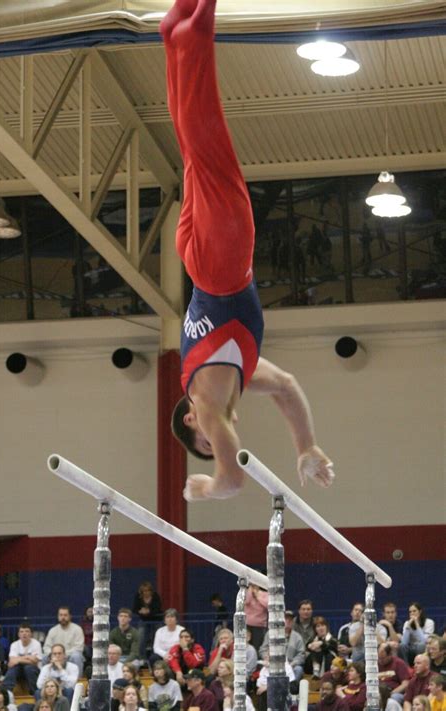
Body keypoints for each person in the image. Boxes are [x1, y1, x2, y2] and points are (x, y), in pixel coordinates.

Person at [161, 0, 335, 502]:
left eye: (205, 440)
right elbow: (288, 387)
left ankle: (195, 34)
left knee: (207, 140)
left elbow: (234, 478)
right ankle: (175, 40)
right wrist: (306, 446)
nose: (217, 440)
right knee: (194, 148)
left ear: (192, 418)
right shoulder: (234, 374)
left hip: (220, 263)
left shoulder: (206, 400)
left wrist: (209, 489)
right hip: (201, 260)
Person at [260, 610, 305, 681]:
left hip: (291, 664)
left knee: (299, 669)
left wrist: (293, 663)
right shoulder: (270, 633)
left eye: (290, 620)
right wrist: (266, 658)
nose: (288, 621)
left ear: (293, 622)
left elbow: (301, 654)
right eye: (285, 619)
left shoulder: (297, 637)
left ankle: (289, 688)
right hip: (272, 664)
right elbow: (263, 649)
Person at [3, 622, 43, 695]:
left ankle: (35, 694)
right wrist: (27, 657)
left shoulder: (36, 644)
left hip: (33, 670)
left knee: (28, 668)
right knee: (13, 669)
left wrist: (18, 659)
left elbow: (35, 662)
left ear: (31, 634)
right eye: (21, 631)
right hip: (18, 670)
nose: (24, 634)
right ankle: (6, 694)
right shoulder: (14, 644)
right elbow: (11, 662)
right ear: (18, 634)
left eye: (27, 631)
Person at [43, 608, 85, 675]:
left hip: (70, 657)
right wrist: (54, 655)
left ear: (70, 616)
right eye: (61, 615)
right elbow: (46, 647)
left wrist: (63, 655)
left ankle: (78, 681)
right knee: (44, 657)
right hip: (55, 657)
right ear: (58, 617)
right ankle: (47, 682)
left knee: (77, 656)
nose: (63, 617)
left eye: (65, 615)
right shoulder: (52, 630)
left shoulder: (77, 629)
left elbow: (79, 648)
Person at [132, 583, 162, 659]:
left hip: (156, 620)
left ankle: (155, 656)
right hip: (144, 620)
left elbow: (158, 609)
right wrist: (140, 611)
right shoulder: (138, 597)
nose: (146, 592)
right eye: (144, 591)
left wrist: (149, 611)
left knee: (157, 637)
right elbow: (134, 609)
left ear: (151, 591)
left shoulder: (155, 596)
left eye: (148, 591)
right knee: (140, 637)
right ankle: (142, 657)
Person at [244, 585, 268, 654]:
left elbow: (267, 605)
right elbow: (246, 601)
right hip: (247, 625)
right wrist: (250, 590)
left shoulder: (264, 594)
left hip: (259, 626)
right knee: (245, 645)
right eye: (252, 584)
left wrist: (257, 596)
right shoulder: (247, 593)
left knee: (257, 647)